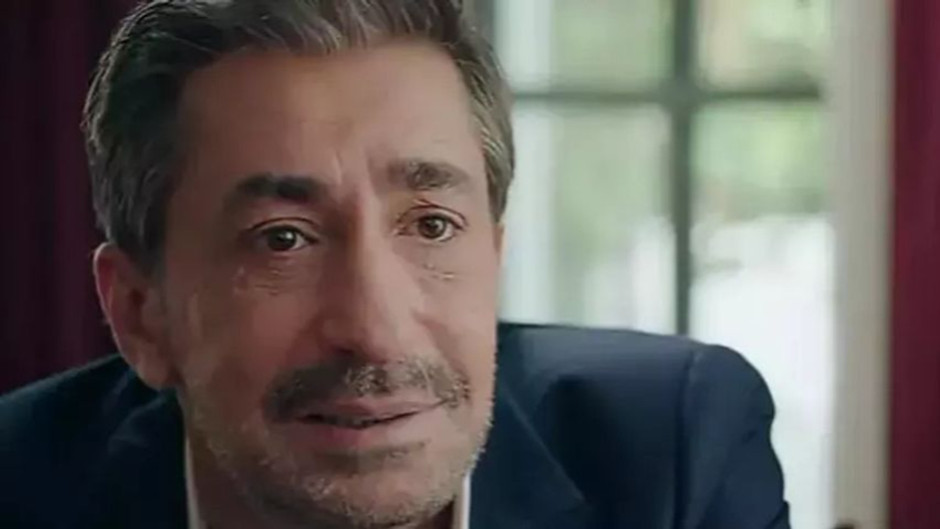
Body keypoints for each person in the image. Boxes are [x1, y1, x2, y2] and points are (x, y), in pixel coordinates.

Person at [0, 1, 789, 528]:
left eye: (433, 225)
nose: (375, 330)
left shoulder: (672, 452)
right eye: (283, 239)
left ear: (494, 258)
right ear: (142, 314)